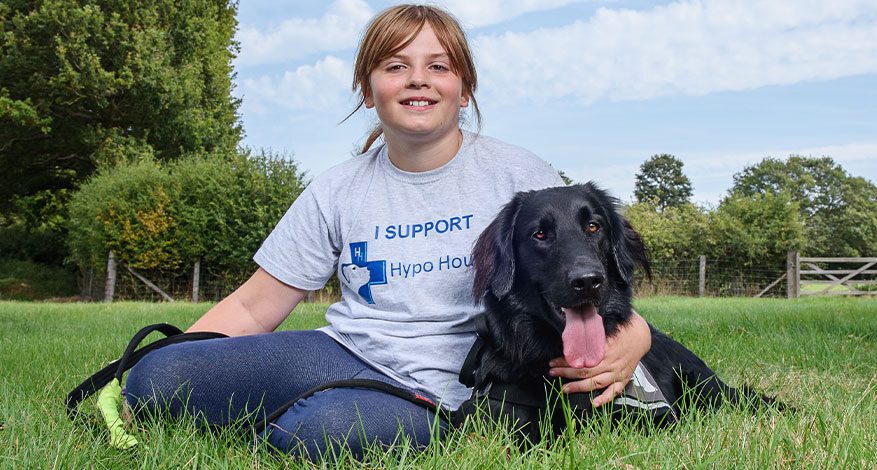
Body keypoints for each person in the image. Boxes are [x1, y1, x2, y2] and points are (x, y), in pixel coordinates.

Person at [125, 4, 652, 460]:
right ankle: (283, 401)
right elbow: (250, 309)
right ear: (367, 88)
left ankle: (304, 414)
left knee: (312, 433)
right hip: (345, 350)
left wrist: (637, 335)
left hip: (451, 383)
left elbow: (582, 266)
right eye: (396, 66)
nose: (418, 80)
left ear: (464, 89)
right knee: (156, 378)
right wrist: (149, 364)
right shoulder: (336, 189)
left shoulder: (519, 174)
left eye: (438, 66)